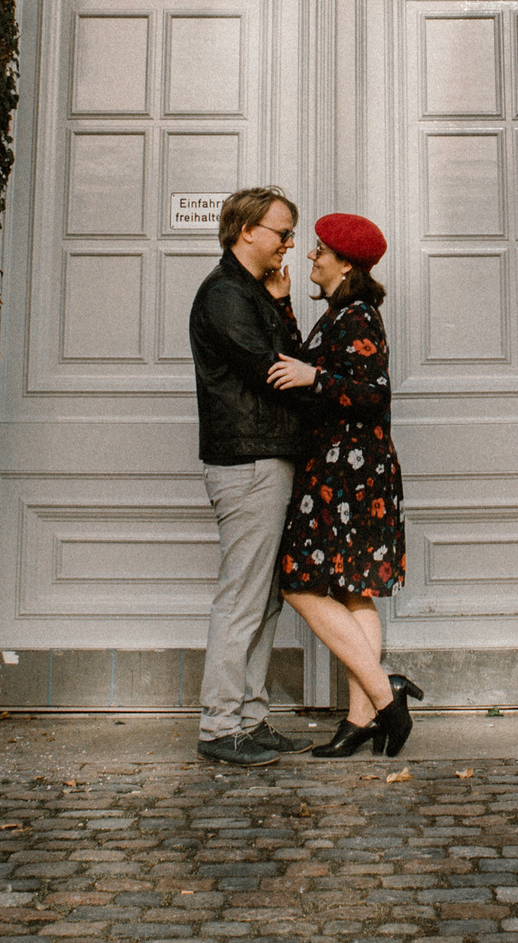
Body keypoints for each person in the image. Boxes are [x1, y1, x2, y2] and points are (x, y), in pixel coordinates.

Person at [265, 212, 420, 757]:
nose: (310, 256)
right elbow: (303, 365)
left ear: (345, 262)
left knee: (299, 584)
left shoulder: (357, 317)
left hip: (349, 472)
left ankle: (383, 695)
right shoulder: (339, 315)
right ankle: (362, 719)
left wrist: (317, 379)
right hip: (345, 470)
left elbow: (374, 393)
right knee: (352, 589)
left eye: (320, 251)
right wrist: (285, 306)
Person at [189, 185, 316, 766]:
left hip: (266, 457)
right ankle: (219, 727)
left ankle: (251, 718)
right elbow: (276, 371)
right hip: (248, 461)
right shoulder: (224, 295)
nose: (290, 243)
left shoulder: (254, 293)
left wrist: (284, 304)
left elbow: (286, 357)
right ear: (247, 231)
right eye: (283, 232)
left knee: (264, 600)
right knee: (243, 597)